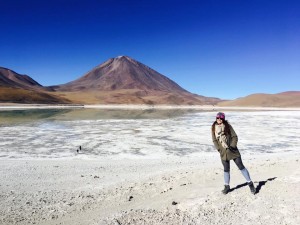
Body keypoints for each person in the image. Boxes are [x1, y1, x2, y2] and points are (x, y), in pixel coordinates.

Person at [211, 112, 256, 195]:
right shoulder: (213, 127)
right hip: (223, 152)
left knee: (241, 166)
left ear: (223, 119)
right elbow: (214, 140)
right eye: (217, 118)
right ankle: (227, 186)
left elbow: (234, 136)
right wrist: (218, 149)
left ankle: (250, 184)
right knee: (226, 169)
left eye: (221, 118)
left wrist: (232, 145)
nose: (219, 120)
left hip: (233, 150)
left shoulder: (228, 126)